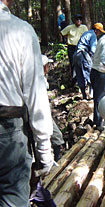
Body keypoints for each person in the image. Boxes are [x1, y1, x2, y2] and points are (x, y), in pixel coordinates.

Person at [0, 1, 54, 206]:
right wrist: (44, 150)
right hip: (7, 132)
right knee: (12, 197)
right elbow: (35, 94)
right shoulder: (20, 30)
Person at [73, 23, 105, 100]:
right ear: (96, 30)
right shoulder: (93, 35)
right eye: (99, 32)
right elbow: (93, 50)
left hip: (76, 55)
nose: (99, 34)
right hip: (83, 55)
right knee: (89, 74)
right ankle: (92, 95)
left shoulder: (86, 33)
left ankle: (84, 95)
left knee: (80, 75)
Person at [42, 55, 65, 162]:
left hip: (42, 113)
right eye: (48, 65)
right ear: (44, 67)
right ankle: (56, 160)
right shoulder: (40, 80)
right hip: (41, 114)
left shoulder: (40, 78)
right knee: (56, 137)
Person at [61, 14, 88, 81]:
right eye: (77, 19)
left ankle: (81, 79)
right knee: (72, 63)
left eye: (80, 19)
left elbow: (88, 36)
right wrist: (66, 39)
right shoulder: (70, 27)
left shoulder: (84, 27)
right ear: (74, 20)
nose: (78, 21)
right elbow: (62, 33)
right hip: (71, 47)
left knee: (81, 63)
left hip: (81, 47)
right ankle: (73, 79)